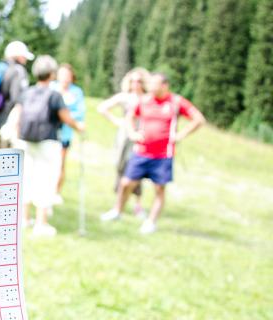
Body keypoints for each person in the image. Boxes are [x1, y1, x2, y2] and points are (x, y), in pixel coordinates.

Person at [100, 73, 206, 234]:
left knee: (159, 189)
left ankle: (151, 222)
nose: (151, 88)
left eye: (155, 85)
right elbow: (130, 117)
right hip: (141, 152)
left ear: (165, 85)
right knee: (126, 183)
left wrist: (180, 135)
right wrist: (132, 133)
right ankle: (117, 211)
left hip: (163, 155)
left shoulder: (176, 102)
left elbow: (198, 119)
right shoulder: (144, 101)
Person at [10, 55, 85, 236]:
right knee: (46, 179)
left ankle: (24, 219)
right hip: (48, 141)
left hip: (26, 139)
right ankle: (41, 224)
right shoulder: (54, 95)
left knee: (27, 178)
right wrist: (79, 126)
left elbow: (17, 115)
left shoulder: (27, 92)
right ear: (52, 74)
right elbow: (65, 117)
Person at [97, 68, 151, 218]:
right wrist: (116, 121)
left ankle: (138, 205)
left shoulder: (146, 99)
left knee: (137, 168)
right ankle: (119, 204)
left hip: (140, 136)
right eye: (133, 81)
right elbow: (102, 108)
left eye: (139, 81)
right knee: (121, 166)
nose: (136, 84)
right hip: (124, 136)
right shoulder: (125, 97)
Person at [0, 41, 34, 148]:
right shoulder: (18, 71)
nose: (25, 60)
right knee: (10, 159)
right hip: (10, 121)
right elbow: (19, 99)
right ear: (18, 56)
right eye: (24, 56)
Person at [53, 64, 86, 201]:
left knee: (60, 163)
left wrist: (65, 115)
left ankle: (56, 193)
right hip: (49, 131)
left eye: (68, 76)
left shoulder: (76, 92)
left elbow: (79, 113)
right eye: (62, 75)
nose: (65, 79)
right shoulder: (52, 88)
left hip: (65, 133)